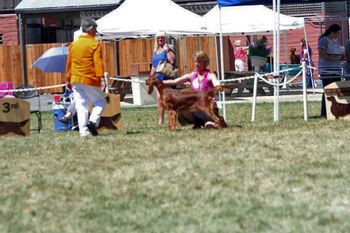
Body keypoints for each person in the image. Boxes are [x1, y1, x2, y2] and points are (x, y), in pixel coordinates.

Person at [163, 51, 224, 129]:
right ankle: (199, 123)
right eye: (195, 61)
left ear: (205, 62)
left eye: (199, 61)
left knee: (209, 125)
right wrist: (159, 82)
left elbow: (215, 82)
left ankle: (212, 121)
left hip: (209, 107)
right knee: (184, 110)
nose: (196, 64)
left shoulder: (210, 75)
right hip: (196, 107)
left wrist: (217, 85)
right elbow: (175, 81)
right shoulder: (192, 75)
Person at [66, 19, 106, 137]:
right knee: (100, 101)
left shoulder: (74, 44)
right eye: (95, 29)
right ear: (90, 29)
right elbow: (97, 62)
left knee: (81, 105)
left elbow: (69, 64)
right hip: (90, 78)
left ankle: (84, 132)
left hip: (75, 79)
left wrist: (68, 80)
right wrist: (102, 79)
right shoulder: (94, 44)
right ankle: (93, 121)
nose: (96, 31)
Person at [318, 23, 344, 117]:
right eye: (337, 33)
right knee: (328, 91)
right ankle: (324, 113)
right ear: (332, 32)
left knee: (336, 92)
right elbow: (322, 55)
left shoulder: (335, 41)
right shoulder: (323, 40)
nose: (338, 35)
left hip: (336, 70)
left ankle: (335, 113)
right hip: (327, 70)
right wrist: (336, 58)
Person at [150, 32, 176, 125]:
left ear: (165, 39)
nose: (160, 40)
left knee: (167, 99)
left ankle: (172, 119)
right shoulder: (155, 51)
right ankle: (160, 120)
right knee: (159, 99)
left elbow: (172, 61)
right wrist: (151, 76)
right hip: (158, 78)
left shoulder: (168, 48)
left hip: (166, 77)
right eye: (158, 38)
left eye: (162, 38)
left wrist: (167, 50)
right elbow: (153, 65)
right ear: (156, 39)